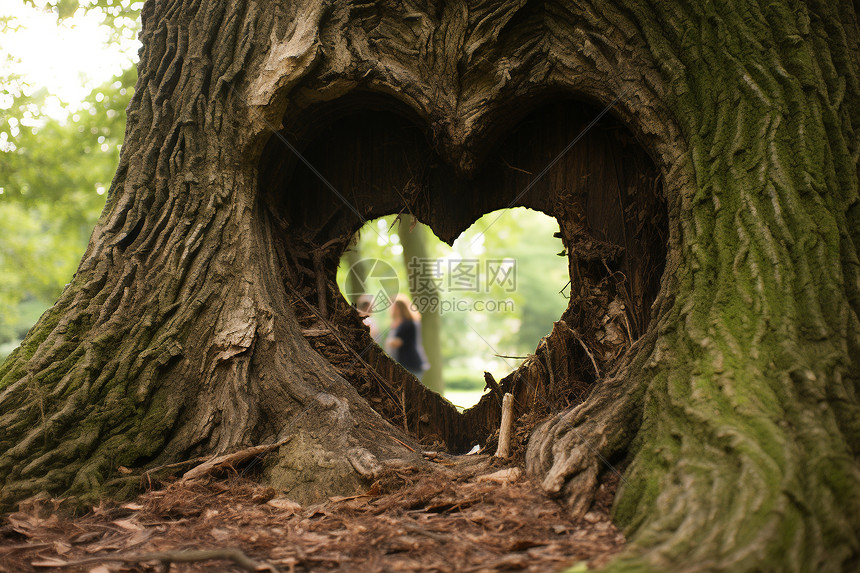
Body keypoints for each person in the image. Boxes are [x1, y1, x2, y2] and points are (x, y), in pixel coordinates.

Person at [385, 296, 427, 379]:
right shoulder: (397, 324)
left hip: (410, 363)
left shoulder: (408, 323)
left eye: (395, 308)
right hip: (402, 362)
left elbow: (398, 342)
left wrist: (389, 342)